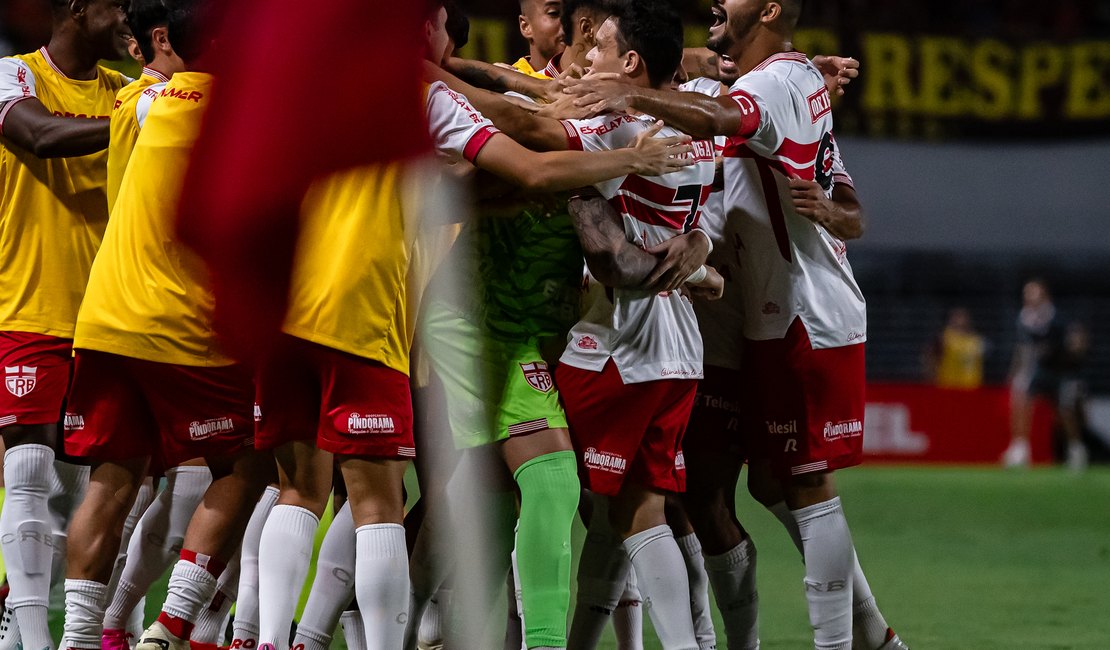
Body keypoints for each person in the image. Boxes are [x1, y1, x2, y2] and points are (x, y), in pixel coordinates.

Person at [562, 1, 909, 648]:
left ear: (772, 8)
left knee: (800, 482)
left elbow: (722, 116)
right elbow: (697, 75)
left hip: (799, 313)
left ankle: (856, 641)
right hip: (729, 317)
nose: (716, 1)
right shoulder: (770, 78)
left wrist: (629, 92)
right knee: (709, 486)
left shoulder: (774, 82)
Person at [57, 5, 272, 650]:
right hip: (180, 322)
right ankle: (172, 623)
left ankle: (77, 640)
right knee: (247, 462)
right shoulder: (236, 113)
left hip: (104, 316)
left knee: (112, 480)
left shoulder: (134, 101)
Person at [0, 2, 130, 649]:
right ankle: (33, 640)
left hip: (107, 317)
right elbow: (39, 137)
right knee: (27, 469)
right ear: (78, 6)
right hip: (25, 305)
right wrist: (140, 117)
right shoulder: (13, 76)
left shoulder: (125, 92)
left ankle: (24, 619)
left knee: (81, 490)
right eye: (119, 5)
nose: (129, 17)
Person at [1002, 279, 1086, 469]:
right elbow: (1023, 347)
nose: (1027, 297)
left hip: (1061, 370)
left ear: (1044, 295)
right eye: (1026, 293)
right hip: (1039, 369)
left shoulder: (1057, 318)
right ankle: (1020, 448)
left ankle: (1076, 448)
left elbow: (1077, 337)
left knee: (1064, 411)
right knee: (1022, 399)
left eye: (1032, 293)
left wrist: (1075, 349)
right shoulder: (1025, 318)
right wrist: (1016, 370)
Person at [924, 307, 986, 389]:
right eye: (957, 316)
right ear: (951, 319)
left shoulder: (976, 340)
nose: (961, 320)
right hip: (949, 385)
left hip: (972, 386)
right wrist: (932, 378)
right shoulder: (943, 338)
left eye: (963, 316)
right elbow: (929, 358)